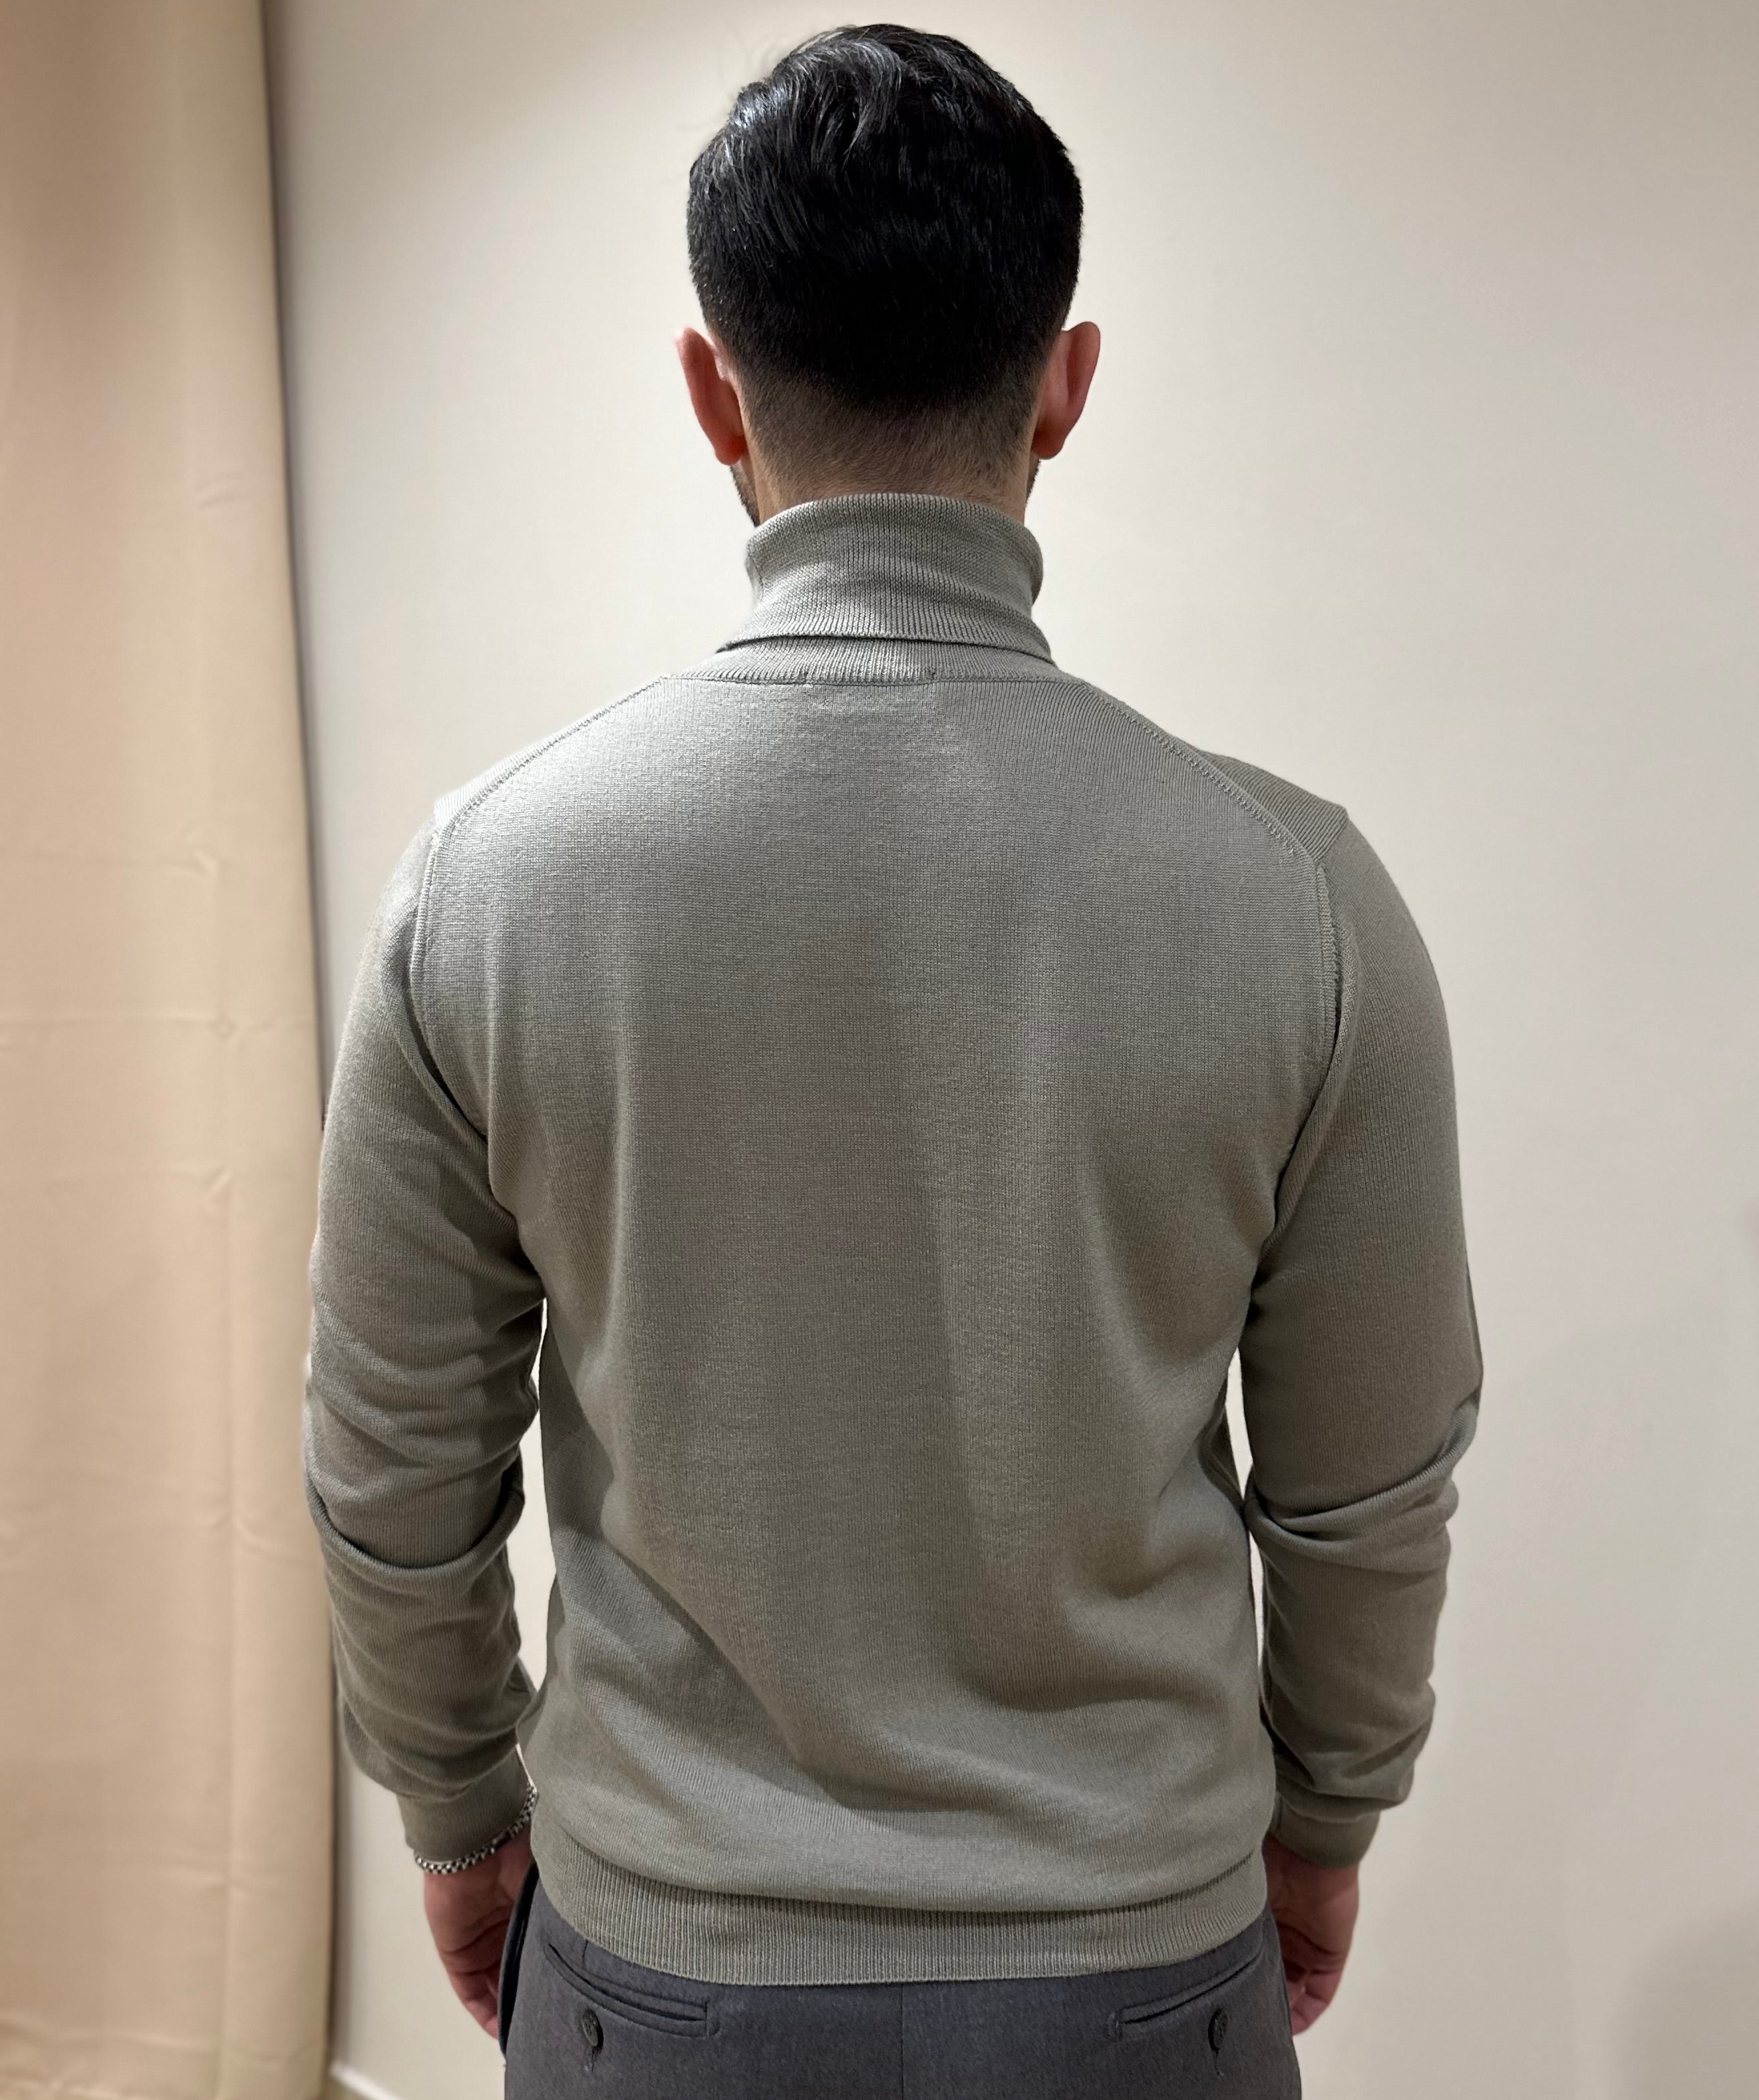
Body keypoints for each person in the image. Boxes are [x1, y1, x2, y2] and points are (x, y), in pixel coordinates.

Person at [303, 24, 1482, 2097]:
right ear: (1064, 383)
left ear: (710, 393)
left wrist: (456, 1803)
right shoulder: (1293, 896)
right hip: (1136, 1971)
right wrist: (1325, 1813)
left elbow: (393, 1467)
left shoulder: (489, 879)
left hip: (659, 1968)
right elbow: (1364, 1491)